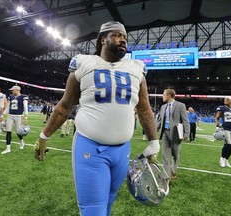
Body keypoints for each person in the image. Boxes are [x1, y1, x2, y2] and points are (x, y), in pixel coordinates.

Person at [33, 21, 159, 216]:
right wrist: (43, 136)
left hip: (122, 151)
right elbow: (65, 106)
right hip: (90, 148)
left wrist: (154, 142)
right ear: (102, 39)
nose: (123, 40)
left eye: (125, 37)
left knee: (108, 203)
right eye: (117, 35)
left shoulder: (136, 68)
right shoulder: (84, 63)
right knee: (93, 210)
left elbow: (144, 109)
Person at [157, 89, 189, 184]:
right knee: (165, 157)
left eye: (164, 95)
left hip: (176, 135)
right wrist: (154, 131)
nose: (162, 96)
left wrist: (186, 134)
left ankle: (174, 170)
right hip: (165, 134)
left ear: (169, 95)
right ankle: (166, 178)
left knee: (175, 155)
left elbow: (185, 120)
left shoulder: (181, 105)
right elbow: (159, 121)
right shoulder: (163, 107)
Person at [1, 85, 29, 154]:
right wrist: (3, 114)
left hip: (18, 116)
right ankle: (8, 148)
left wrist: (26, 117)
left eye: (13, 90)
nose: (12, 91)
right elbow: (8, 106)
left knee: (18, 132)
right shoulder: (11, 97)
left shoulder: (23, 97)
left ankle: (21, 141)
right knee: (8, 131)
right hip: (10, 115)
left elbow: (25, 107)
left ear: (17, 90)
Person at [215, 96, 231, 168]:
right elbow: (217, 118)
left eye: (227, 99)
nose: (225, 100)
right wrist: (217, 126)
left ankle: (226, 160)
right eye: (225, 99)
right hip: (225, 128)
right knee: (227, 144)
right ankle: (222, 159)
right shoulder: (221, 108)